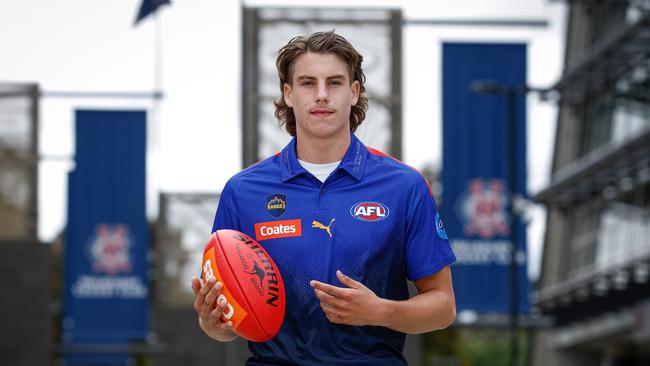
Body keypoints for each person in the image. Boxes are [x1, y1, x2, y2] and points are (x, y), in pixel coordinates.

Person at [191, 30, 456, 365]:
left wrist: (381, 311)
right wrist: (212, 321)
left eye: (334, 82)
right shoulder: (243, 191)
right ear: (288, 93)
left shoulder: (404, 186)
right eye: (306, 83)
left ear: (354, 92)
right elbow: (228, 325)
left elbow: (443, 307)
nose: (321, 95)